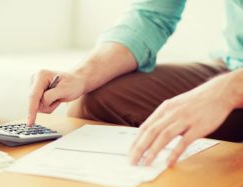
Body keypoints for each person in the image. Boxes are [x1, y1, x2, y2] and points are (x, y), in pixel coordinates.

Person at [27, 0, 243, 167]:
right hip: (235, 63)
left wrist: (228, 90)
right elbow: (151, 15)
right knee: (96, 101)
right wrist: (81, 75)